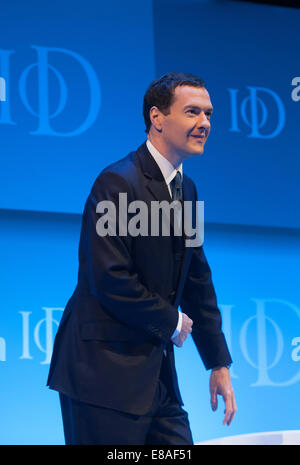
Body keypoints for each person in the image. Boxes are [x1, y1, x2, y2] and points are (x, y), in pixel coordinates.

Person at [47, 72, 237, 445]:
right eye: (193, 112)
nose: (205, 124)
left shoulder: (187, 190)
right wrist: (170, 321)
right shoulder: (117, 182)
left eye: (209, 114)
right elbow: (108, 277)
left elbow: (196, 279)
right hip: (101, 377)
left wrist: (218, 362)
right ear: (157, 118)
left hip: (157, 379)